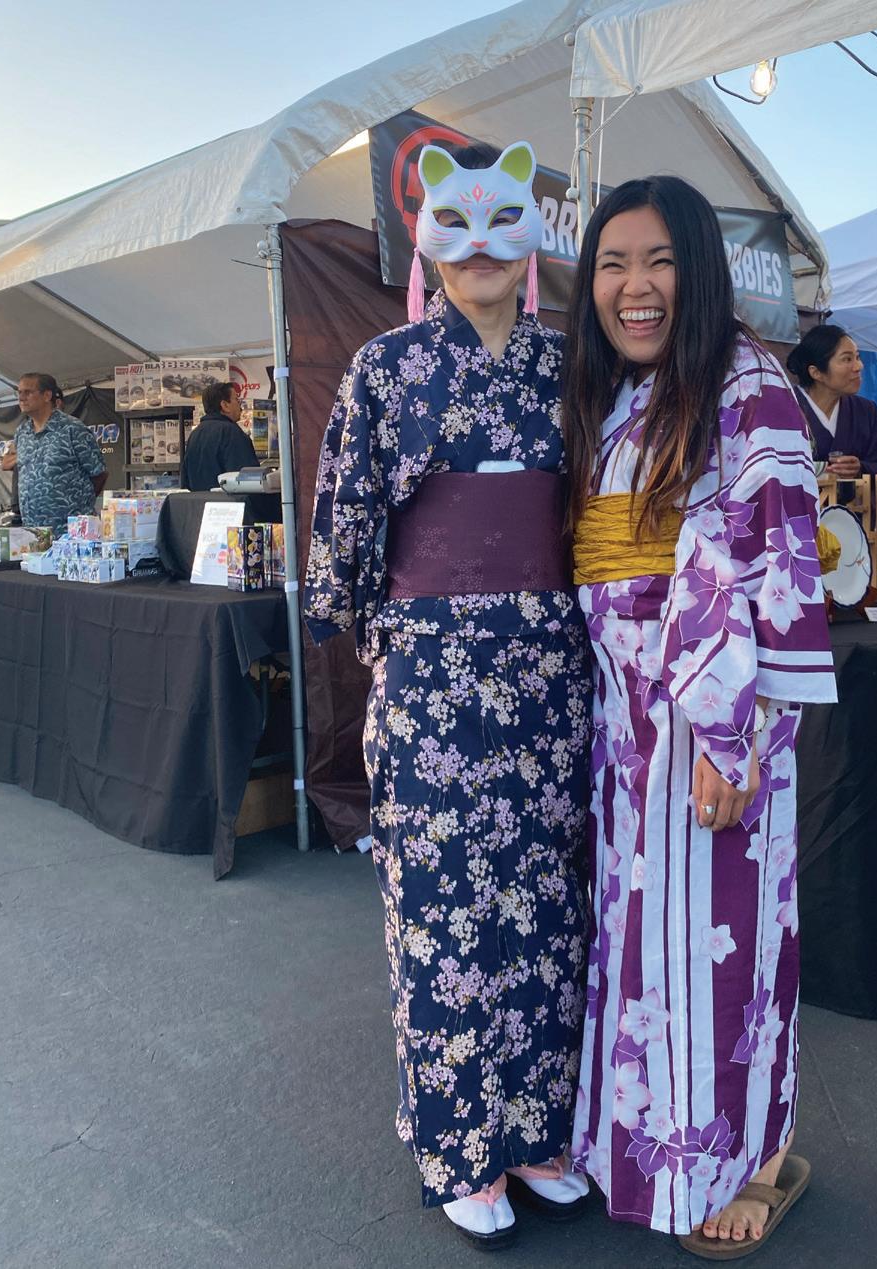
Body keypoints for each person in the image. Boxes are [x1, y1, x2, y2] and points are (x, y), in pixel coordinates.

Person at [303, 139, 591, 1249]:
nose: (479, 246)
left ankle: (537, 1129)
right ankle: (460, 1142)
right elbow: (347, 523)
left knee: (546, 900)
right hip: (431, 674)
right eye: (455, 225)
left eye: (501, 222)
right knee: (443, 908)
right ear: (423, 235)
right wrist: (368, 621)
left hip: (551, 668)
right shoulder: (385, 367)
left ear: (532, 238)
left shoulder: (569, 366)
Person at [562, 175, 837, 1258]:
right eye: (612, 264)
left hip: (707, 719)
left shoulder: (746, 382)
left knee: (724, 949)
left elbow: (775, 558)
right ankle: (659, 1153)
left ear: (701, 272)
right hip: (626, 722)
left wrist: (739, 736)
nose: (634, 287)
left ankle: (754, 1161)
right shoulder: (618, 395)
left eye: (659, 262)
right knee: (648, 953)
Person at [2, 373, 106, 534]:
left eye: (28, 392)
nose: (21, 398)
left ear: (47, 395)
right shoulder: (22, 432)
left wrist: (79, 504)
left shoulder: (72, 429)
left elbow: (99, 474)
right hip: (34, 532)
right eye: (19, 392)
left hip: (69, 532)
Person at [786, 325, 877, 476]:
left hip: (858, 493)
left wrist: (861, 469)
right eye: (847, 359)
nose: (859, 366)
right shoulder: (785, 408)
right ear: (816, 372)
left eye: (857, 357)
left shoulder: (866, 411)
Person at [180, 381, 258, 490]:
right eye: (236, 400)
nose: (240, 406)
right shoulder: (231, 432)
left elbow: (186, 479)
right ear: (225, 405)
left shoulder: (195, 434)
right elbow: (248, 480)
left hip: (200, 500)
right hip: (228, 499)